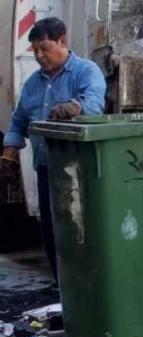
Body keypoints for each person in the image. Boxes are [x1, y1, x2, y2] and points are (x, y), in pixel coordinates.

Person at [1, 17, 106, 284]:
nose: (39, 56)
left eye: (44, 48)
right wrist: (9, 155)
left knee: (81, 233)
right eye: (34, 50)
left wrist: (74, 107)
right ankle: (61, 291)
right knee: (51, 233)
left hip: (80, 173)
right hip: (47, 170)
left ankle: (88, 291)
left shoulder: (87, 71)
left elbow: (94, 104)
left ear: (62, 41)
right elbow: (18, 121)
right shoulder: (33, 84)